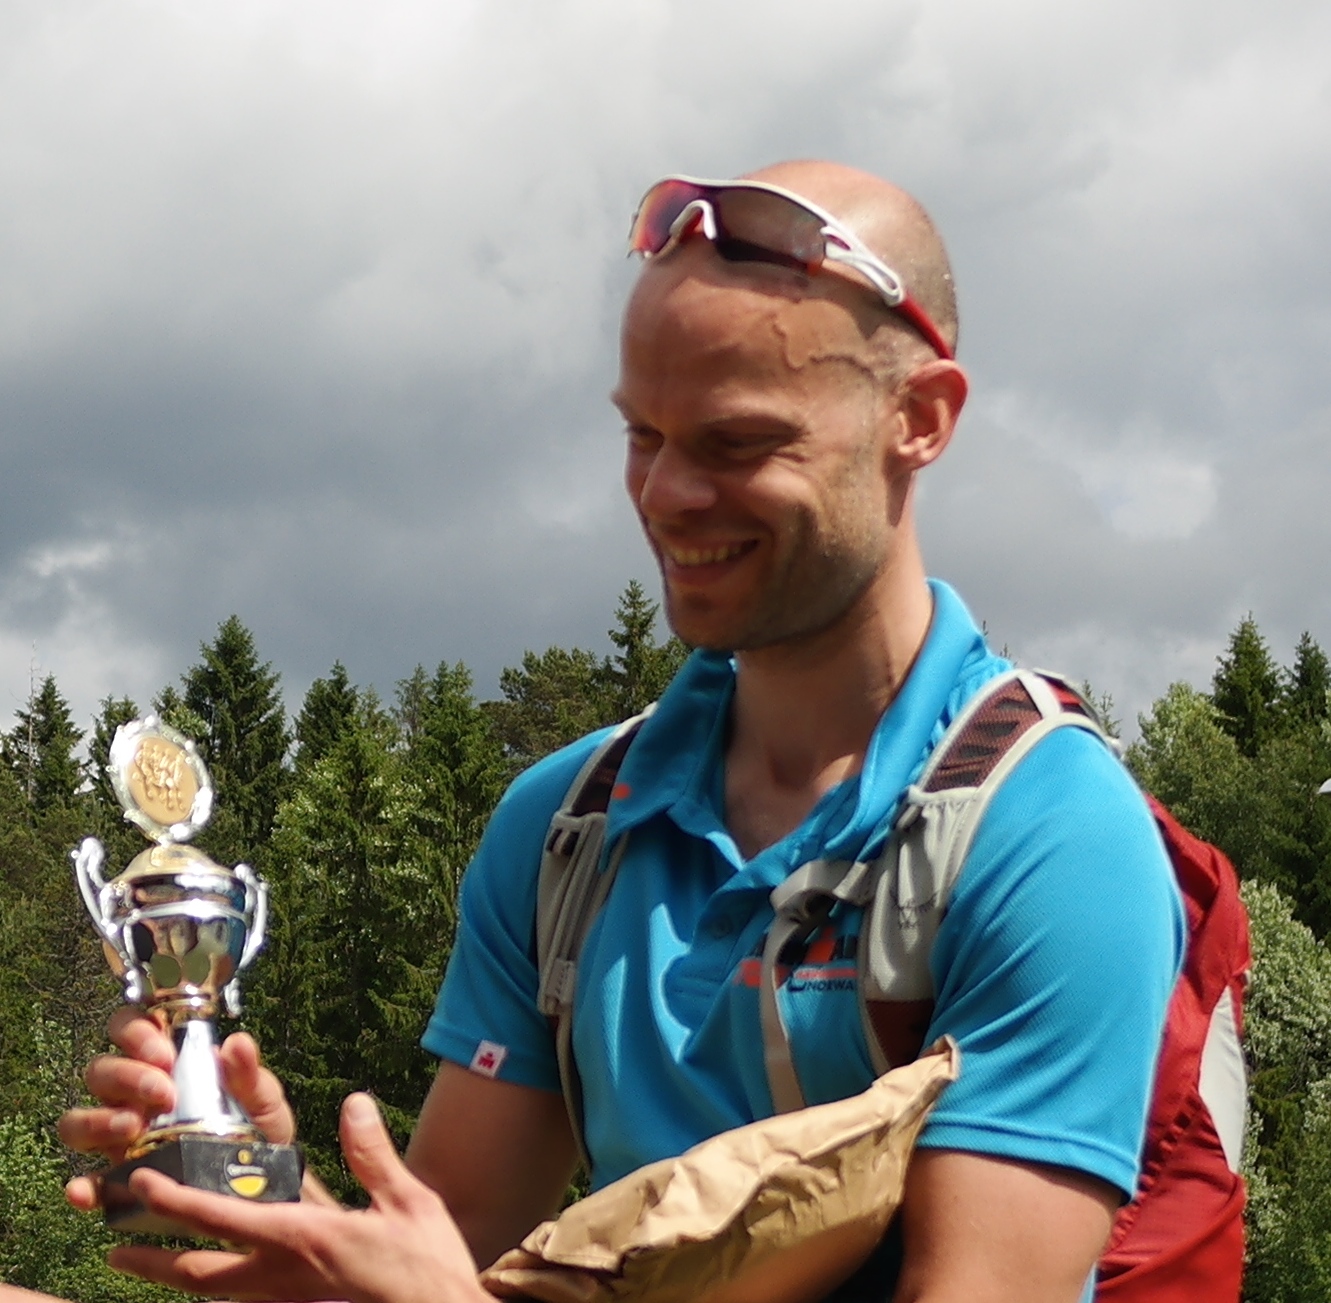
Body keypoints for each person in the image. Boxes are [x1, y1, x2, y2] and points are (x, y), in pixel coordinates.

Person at [60, 161, 1185, 1303]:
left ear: (920, 418)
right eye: (643, 434)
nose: (666, 494)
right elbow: (453, 1248)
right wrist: (281, 1219)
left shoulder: (1048, 836)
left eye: (737, 442)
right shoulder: (567, 827)